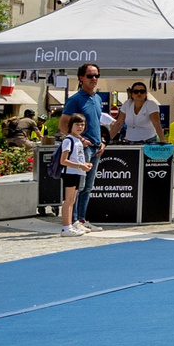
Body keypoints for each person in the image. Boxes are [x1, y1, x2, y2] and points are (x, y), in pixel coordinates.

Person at [60, 65, 110, 229]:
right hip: (83, 148)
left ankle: (81, 219)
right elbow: (63, 124)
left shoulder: (96, 98)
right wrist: (81, 140)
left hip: (95, 147)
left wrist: (101, 141)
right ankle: (73, 221)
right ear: (81, 77)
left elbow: (96, 123)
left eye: (96, 75)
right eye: (90, 76)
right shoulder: (75, 100)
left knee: (87, 187)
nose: (94, 79)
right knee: (79, 186)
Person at [55, 111, 95, 236]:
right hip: (70, 173)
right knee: (68, 200)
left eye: (82, 125)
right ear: (71, 126)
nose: (80, 127)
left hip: (78, 173)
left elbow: (77, 158)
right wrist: (80, 166)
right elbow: (64, 160)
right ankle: (66, 227)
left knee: (72, 200)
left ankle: (71, 224)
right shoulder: (68, 140)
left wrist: (85, 165)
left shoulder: (78, 140)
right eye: (77, 124)